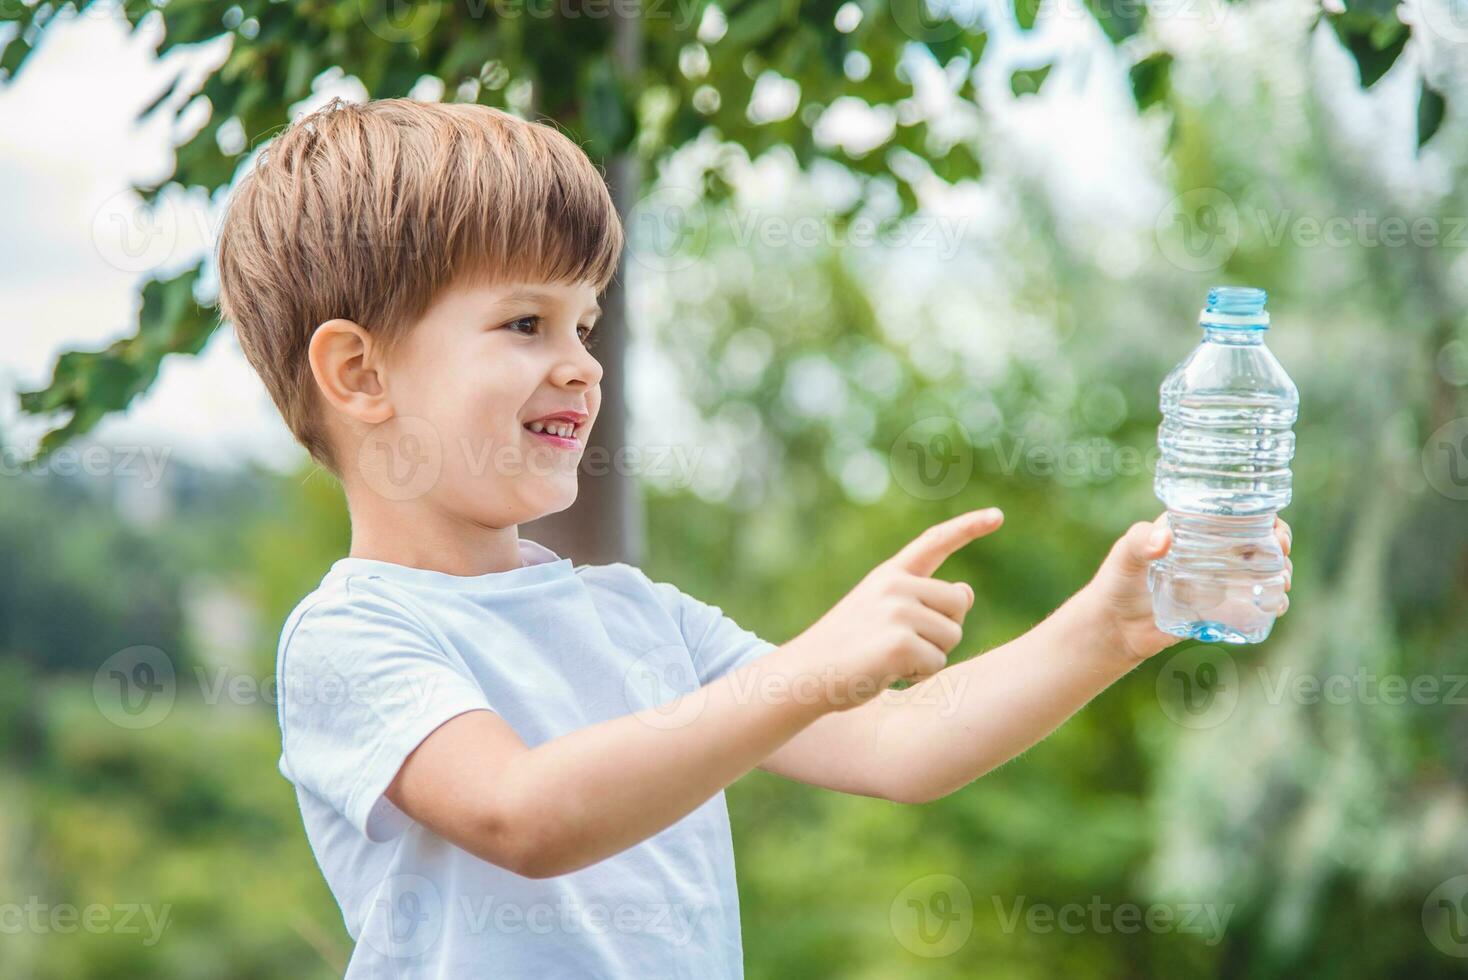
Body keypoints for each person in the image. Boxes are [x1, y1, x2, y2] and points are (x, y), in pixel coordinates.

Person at [216, 96, 1293, 978]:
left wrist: (1109, 624)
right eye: (524, 322)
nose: (582, 362)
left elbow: (897, 743)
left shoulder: (638, 615)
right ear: (358, 372)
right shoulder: (353, 634)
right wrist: (808, 670)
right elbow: (522, 812)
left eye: (585, 324)